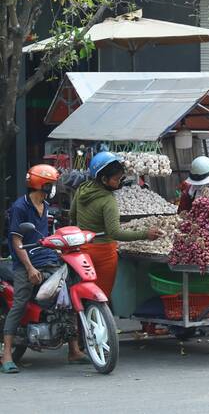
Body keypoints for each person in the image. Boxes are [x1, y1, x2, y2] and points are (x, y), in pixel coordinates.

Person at [2, 165, 87, 374]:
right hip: (25, 263)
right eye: (51, 184)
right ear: (41, 184)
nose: (54, 188)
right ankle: (7, 356)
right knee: (20, 301)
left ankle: (74, 350)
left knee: (67, 298)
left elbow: (48, 235)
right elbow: (16, 240)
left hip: (48, 258)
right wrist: (30, 269)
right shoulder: (20, 207)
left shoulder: (46, 206)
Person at [70, 152, 162, 298]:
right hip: (103, 254)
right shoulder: (108, 200)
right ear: (104, 179)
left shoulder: (82, 189)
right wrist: (145, 234)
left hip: (82, 250)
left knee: (82, 294)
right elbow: (115, 233)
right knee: (100, 296)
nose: (119, 183)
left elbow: (72, 216)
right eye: (116, 179)